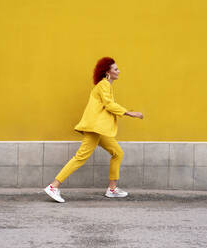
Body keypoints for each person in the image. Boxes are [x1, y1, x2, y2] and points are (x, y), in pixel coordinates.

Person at [44, 57, 144, 203]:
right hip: (94, 128)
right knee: (80, 157)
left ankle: (112, 189)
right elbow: (109, 105)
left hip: (99, 129)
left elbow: (107, 105)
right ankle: (53, 186)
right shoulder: (104, 85)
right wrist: (129, 113)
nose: (119, 71)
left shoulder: (106, 86)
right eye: (116, 69)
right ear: (107, 72)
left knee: (117, 152)